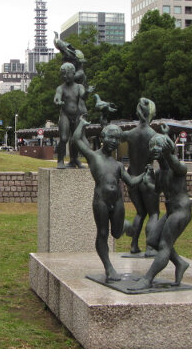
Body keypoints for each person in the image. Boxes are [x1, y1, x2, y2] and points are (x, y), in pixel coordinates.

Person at [72, 115, 150, 281]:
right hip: (101, 200)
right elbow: (77, 139)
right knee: (102, 233)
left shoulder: (118, 165)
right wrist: (82, 124)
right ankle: (108, 267)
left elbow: (132, 182)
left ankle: (124, 225)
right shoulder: (94, 157)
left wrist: (145, 174)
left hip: (117, 200)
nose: (115, 141)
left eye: (118, 139)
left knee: (116, 233)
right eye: (111, 137)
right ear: (102, 138)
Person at [129, 126, 191, 289]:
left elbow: (174, 162)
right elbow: (156, 190)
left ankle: (147, 279)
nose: (153, 149)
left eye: (158, 146)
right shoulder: (160, 172)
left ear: (166, 148)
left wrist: (165, 141)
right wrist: (149, 179)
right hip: (170, 211)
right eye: (152, 146)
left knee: (164, 245)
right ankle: (180, 263)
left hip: (181, 211)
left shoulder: (177, 167)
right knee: (152, 240)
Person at [120, 98, 159, 255]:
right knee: (154, 213)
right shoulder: (153, 135)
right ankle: (150, 247)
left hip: (132, 178)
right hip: (147, 177)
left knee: (140, 213)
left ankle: (134, 245)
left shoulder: (131, 134)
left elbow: (115, 136)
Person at [54, 62, 90, 168]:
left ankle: (74, 160)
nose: (65, 77)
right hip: (65, 114)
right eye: (63, 74)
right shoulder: (61, 88)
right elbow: (57, 97)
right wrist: (58, 101)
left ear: (73, 73)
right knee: (64, 138)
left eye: (67, 74)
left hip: (77, 115)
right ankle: (60, 160)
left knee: (75, 138)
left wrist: (87, 91)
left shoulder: (79, 87)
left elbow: (84, 97)